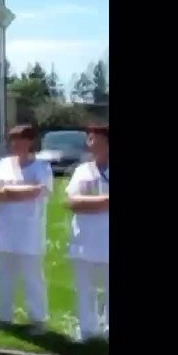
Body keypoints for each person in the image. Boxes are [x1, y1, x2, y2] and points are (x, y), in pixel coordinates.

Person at [0, 125, 53, 330]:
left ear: (30, 141)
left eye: (20, 139)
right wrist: (18, 192)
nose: (15, 144)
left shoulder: (41, 167)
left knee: (33, 277)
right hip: (4, 228)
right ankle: (4, 316)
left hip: (29, 231)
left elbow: (37, 192)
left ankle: (38, 319)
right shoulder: (4, 164)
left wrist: (7, 191)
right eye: (12, 139)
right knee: (4, 276)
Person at [65, 124, 110, 342]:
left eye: (97, 140)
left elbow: (81, 202)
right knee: (85, 288)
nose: (92, 144)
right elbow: (72, 202)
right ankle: (87, 330)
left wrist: (88, 203)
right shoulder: (82, 171)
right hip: (83, 238)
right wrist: (103, 202)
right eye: (90, 140)